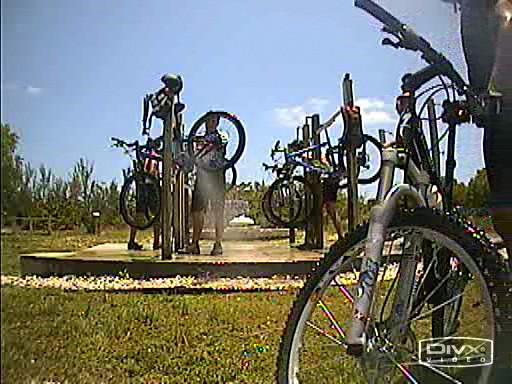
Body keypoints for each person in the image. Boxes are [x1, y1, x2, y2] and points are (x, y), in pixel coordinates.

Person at [185, 113, 227, 255]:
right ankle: (195, 244)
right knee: (197, 210)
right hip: (202, 175)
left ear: (217, 123)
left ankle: (218, 244)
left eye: (213, 120)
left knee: (218, 211)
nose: (210, 123)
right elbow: (192, 155)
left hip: (217, 176)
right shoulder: (199, 139)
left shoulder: (222, 135)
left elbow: (221, 142)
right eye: (208, 120)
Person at [127, 143, 161, 251]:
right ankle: (156, 242)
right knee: (156, 214)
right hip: (151, 185)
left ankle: (132, 241)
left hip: (142, 184)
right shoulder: (154, 155)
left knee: (140, 214)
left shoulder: (143, 154)